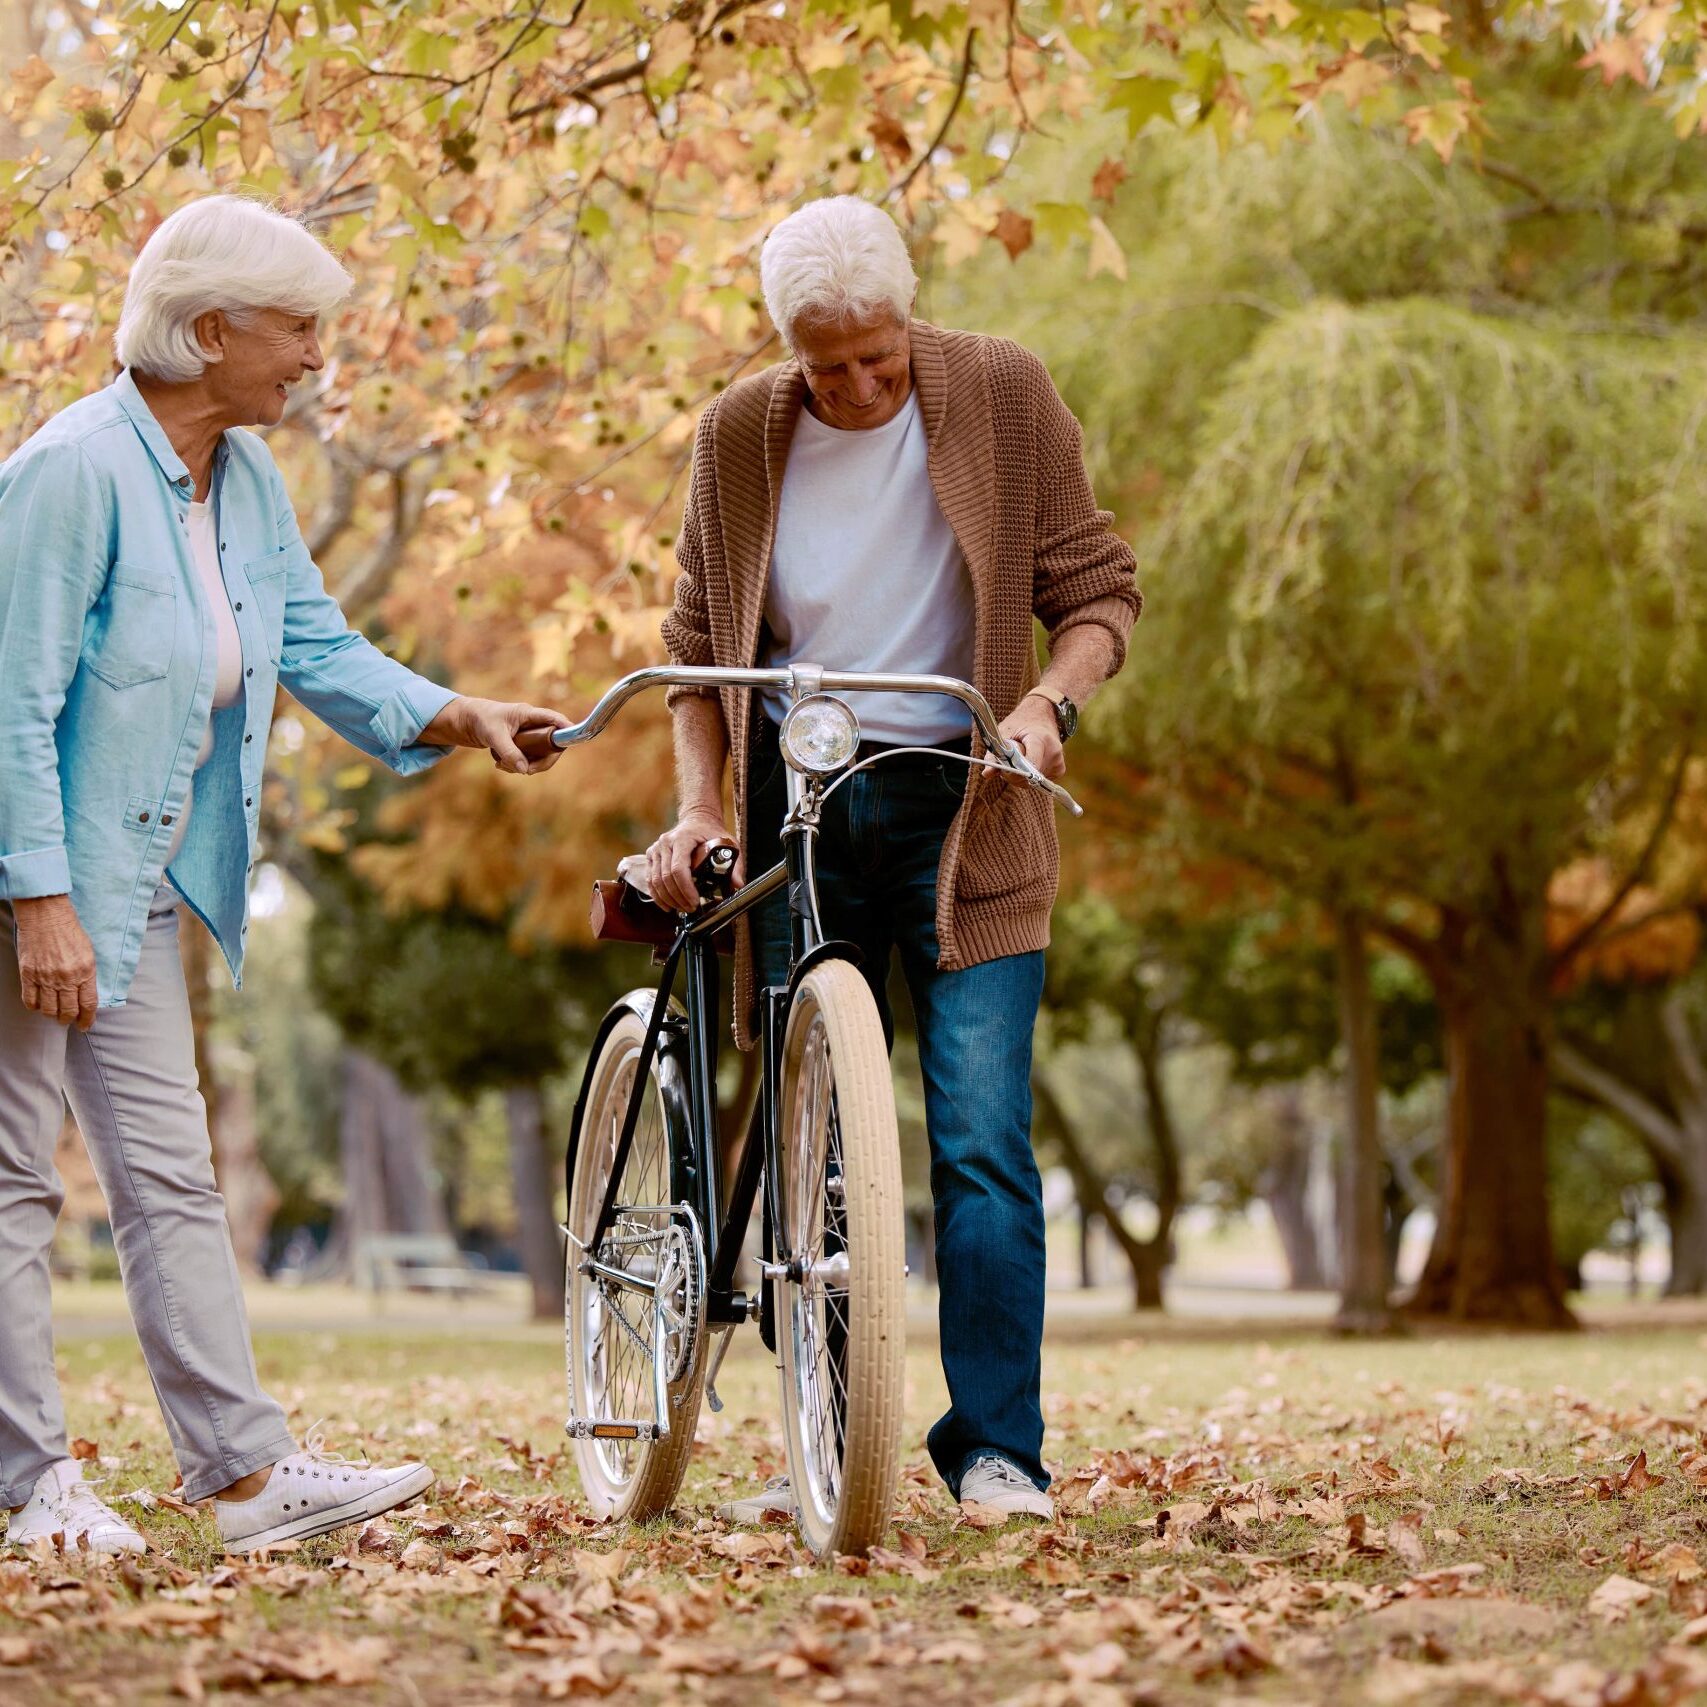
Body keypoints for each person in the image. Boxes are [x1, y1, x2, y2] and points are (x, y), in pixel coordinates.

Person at [0, 195, 569, 1556]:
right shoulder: (70, 472)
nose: (317, 356)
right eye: (297, 329)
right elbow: (8, 703)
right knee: (16, 1177)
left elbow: (314, 644)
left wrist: (460, 715)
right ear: (208, 335)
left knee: (170, 1178)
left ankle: (243, 1479)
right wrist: (37, 901)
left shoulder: (239, 480)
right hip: (26, 875)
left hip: (127, 876)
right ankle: (27, 1485)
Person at [649, 196, 1140, 1521]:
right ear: (787, 349)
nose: (859, 386)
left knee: (980, 1142)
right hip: (801, 803)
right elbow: (697, 650)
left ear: (909, 315)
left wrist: (1049, 708)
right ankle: (824, 1438)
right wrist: (702, 809)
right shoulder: (740, 437)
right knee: (812, 1146)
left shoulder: (1001, 391)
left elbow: (1098, 590)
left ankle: (996, 1452)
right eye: (828, 365)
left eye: (879, 354)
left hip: (971, 806)